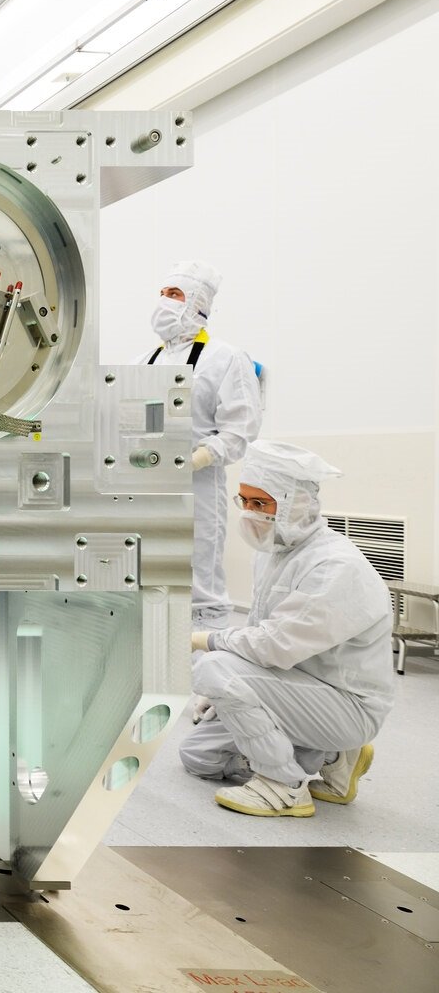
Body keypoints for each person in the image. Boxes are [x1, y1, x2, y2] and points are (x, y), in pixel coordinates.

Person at [179, 441, 396, 817]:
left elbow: (274, 645)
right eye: (244, 500)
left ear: (295, 504)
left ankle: (283, 786)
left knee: (213, 666)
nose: (249, 513)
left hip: (346, 704)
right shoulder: (273, 554)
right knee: (198, 756)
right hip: (297, 690)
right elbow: (259, 629)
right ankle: (333, 757)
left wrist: (209, 644)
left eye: (260, 503)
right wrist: (231, 693)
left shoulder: (335, 566)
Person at [134, 261, 262, 630]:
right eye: (162, 293)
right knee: (147, 576)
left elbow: (240, 429)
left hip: (198, 491)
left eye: (174, 294)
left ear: (197, 304)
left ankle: (203, 659)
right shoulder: (143, 361)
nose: (164, 301)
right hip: (145, 487)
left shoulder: (226, 358)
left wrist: (197, 458)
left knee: (198, 583)